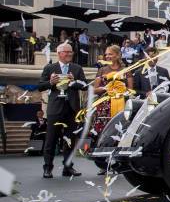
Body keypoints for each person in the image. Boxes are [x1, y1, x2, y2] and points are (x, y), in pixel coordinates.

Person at [38, 43, 87, 178]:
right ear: (59, 53)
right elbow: (40, 86)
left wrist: (74, 81)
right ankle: (47, 168)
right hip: (55, 109)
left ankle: (68, 168)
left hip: (72, 109)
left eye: (71, 52)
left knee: (70, 140)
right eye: (66, 52)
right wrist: (51, 83)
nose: (69, 54)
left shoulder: (77, 68)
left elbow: (84, 86)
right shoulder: (50, 68)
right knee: (51, 140)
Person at [92, 45, 134, 137]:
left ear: (118, 55)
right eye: (106, 54)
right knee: (102, 133)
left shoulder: (126, 70)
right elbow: (95, 90)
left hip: (122, 105)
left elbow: (131, 90)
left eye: (110, 54)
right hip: (104, 108)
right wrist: (106, 89)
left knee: (120, 131)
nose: (107, 56)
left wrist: (121, 90)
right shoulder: (101, 70)